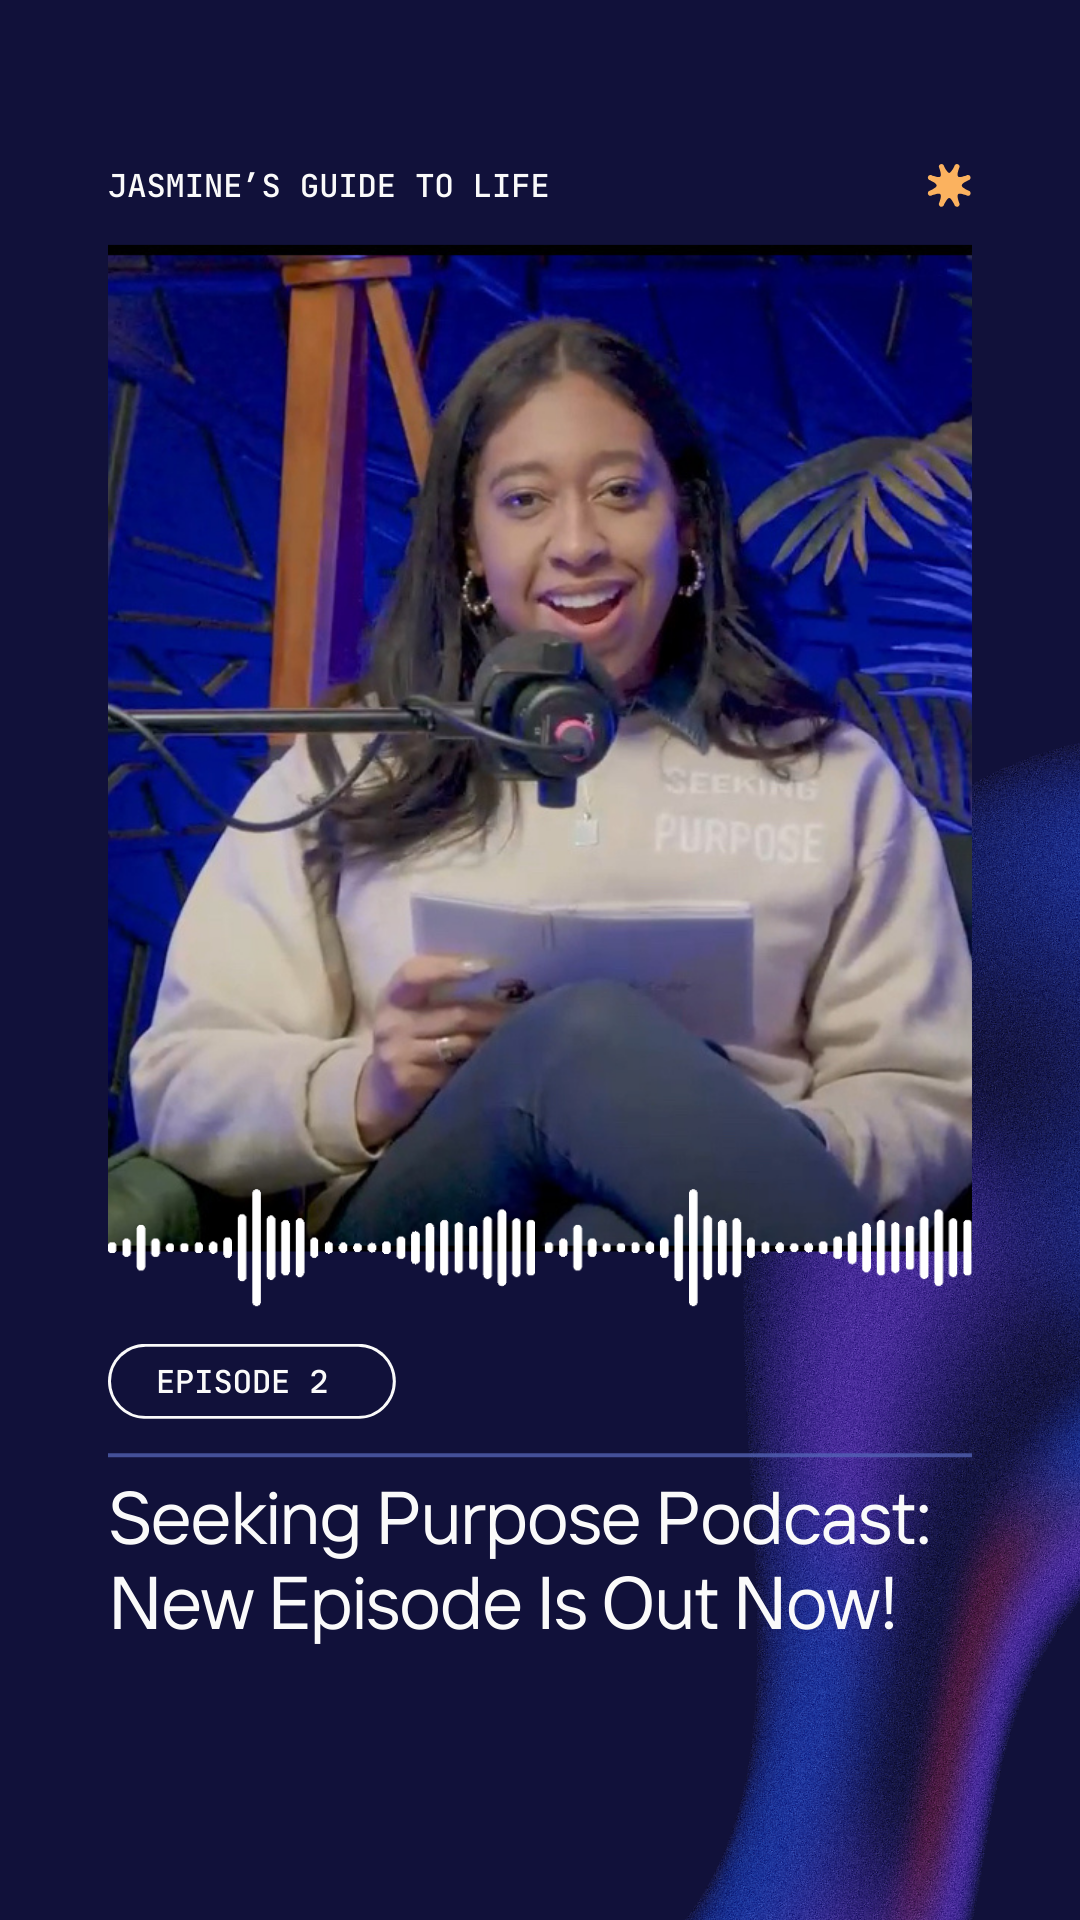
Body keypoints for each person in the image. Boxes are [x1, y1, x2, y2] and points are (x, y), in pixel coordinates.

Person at [128, 318, 971, 1247]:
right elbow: (183, 1082)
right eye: (525, 501)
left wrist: (710, 1143)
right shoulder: (350, 765)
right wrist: (367, 1088)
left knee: (604, 1241)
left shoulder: (831, 775)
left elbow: (934, 1097)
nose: (578, 543)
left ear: (685, 527)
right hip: (425, 1244)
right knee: (580, 1036)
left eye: (620, 492)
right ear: (470, 545)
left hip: (699, 1259)